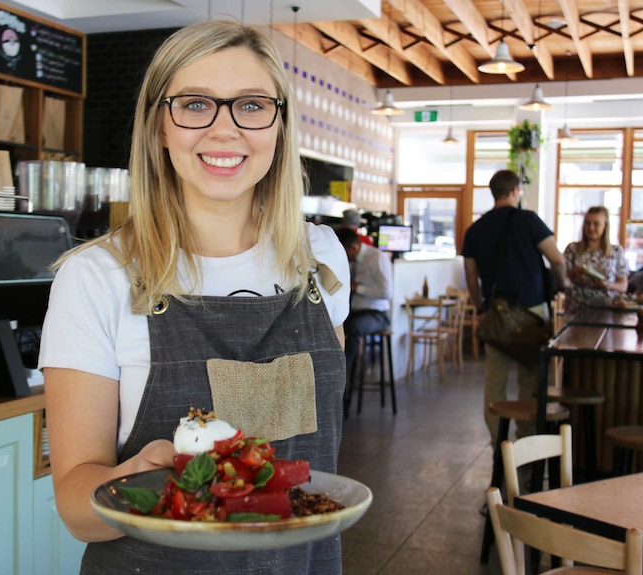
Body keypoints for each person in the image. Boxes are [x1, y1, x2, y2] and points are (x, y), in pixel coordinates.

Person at [37, 20, 351, 575]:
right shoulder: (97, 277)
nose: (225, 130)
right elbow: (74, 509)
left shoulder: (320, 259)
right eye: (195, 104)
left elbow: (319, 452)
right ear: (160, 124)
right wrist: (141, 478)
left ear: (279, 124)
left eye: (251, 105)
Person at [461, 169, 566, 443]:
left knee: (494, 380)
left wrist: (480, 307)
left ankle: (499, 444)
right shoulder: (528, 220)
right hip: (531, 312)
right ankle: (527, 440)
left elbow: (471, 277)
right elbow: (557, 259)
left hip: (495, 313)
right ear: (515, 191)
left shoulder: (475, 230)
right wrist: (562, 284)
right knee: (530, 378)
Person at [335, 227, 393, 376]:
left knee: (353, 328)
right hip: (356, 311)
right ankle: (337, 371)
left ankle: (344, 373)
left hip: (377, 314)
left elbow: (386, 293)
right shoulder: (352, 262)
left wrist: (358, 288)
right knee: (334, 324)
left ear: (353, 248)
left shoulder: (377, 258)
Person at [563, 206, 629, 313]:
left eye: (596, 224)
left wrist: (608, 285)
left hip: (607, 310)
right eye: (587, 223)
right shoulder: (572, 249)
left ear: (605, 226)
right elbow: (561, 279)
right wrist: (574, 273)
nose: (591, 228)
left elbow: (623, 285)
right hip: (577, 309)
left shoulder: (616, 251)